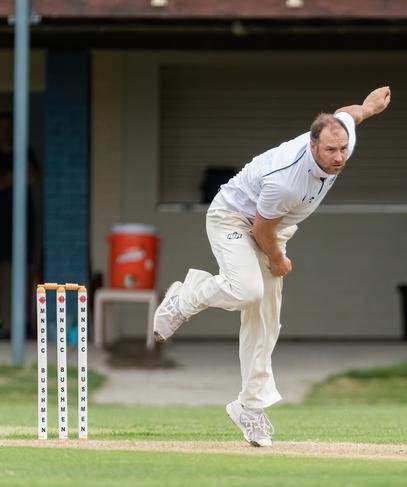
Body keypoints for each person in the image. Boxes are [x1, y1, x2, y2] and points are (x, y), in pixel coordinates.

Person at [153, 87, 392, 447]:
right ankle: (183, 300)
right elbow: (261, 229)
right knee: (248, 290)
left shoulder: (341, 136)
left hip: (272, 225)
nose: (339, 157)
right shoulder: (287, 179)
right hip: (234, 218)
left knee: (265, 322)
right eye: (330, 150)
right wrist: (279, 260)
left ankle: (249, 408)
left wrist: (370, 107)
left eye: (342, 149)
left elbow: (350, 114)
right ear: (313, 146)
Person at [0, 113, 40, 336]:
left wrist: (8, 178)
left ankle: (19, 323)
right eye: (3, 127)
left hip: (23, 223)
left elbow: (33, 178)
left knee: (22, 273)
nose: (6, 132)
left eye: (10, 127)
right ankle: (2, 323)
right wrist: (17, 176)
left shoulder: (26, 152)